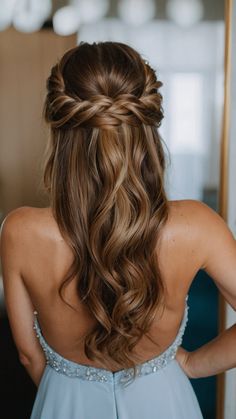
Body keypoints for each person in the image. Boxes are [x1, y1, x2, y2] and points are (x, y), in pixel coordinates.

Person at [0, 41, 236, 419]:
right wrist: (192, 364)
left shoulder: (20, 230)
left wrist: (69, 392)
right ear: (147, 128)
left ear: (58, 129)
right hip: (165, 402)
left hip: (65, 403)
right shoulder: (196, 225)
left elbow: (28, 354)